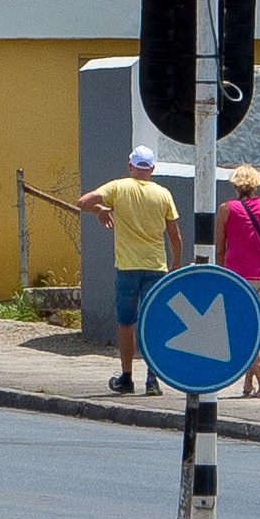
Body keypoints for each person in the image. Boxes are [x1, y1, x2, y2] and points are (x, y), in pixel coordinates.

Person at [79, 146, 179, 395]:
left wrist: (100, 210)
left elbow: (83, 202)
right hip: (156, 266)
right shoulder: (163, 194)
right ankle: (153, 379)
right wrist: (174, 266)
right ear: (153, 169)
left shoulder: (118, 187)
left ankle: (126, 376)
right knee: (153, 322)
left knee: (126, 323)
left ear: (130, 166)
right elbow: (175, 237)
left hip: (127, 267)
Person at [216, 164, 260, 399]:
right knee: (254, 327)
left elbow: (220, 248)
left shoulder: (226, 209)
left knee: (246, 331)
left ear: (235, 185)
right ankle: (248, 384)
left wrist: (219, 275)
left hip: (238, 277)